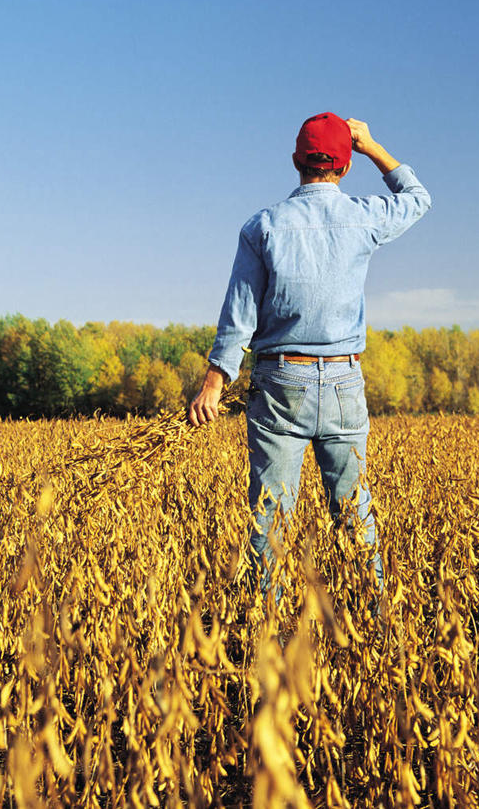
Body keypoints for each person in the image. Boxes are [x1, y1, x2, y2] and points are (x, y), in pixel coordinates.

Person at [188, 112, 431, 603]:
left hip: (281, 383)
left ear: (296, 160)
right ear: (344, 166)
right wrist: (373, 146)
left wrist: (216, 381)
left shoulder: (263, 226)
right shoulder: (363, 216)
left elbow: (240, 313)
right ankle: (376, 616)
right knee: (353, 511)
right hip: (345, 383)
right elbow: (418, 199)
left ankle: (267, 626)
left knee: (271, 514)